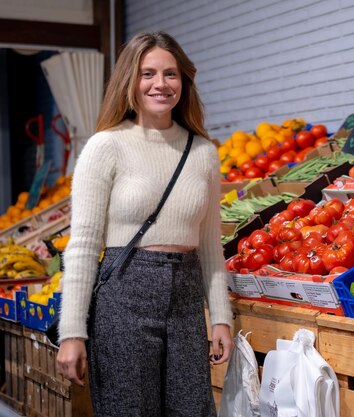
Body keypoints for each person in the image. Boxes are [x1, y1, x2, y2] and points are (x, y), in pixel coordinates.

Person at [55, 31, 233, 416]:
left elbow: (209, 248)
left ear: (183, 81)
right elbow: (83, 246)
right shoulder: (106, 146)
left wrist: (220, 317)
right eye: (147, 73)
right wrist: (72, 333)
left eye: (171, 74)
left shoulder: (202, 152)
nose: (160, 84)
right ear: (129, 81)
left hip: (186, 302)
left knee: (193, 410)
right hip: (124, 297)